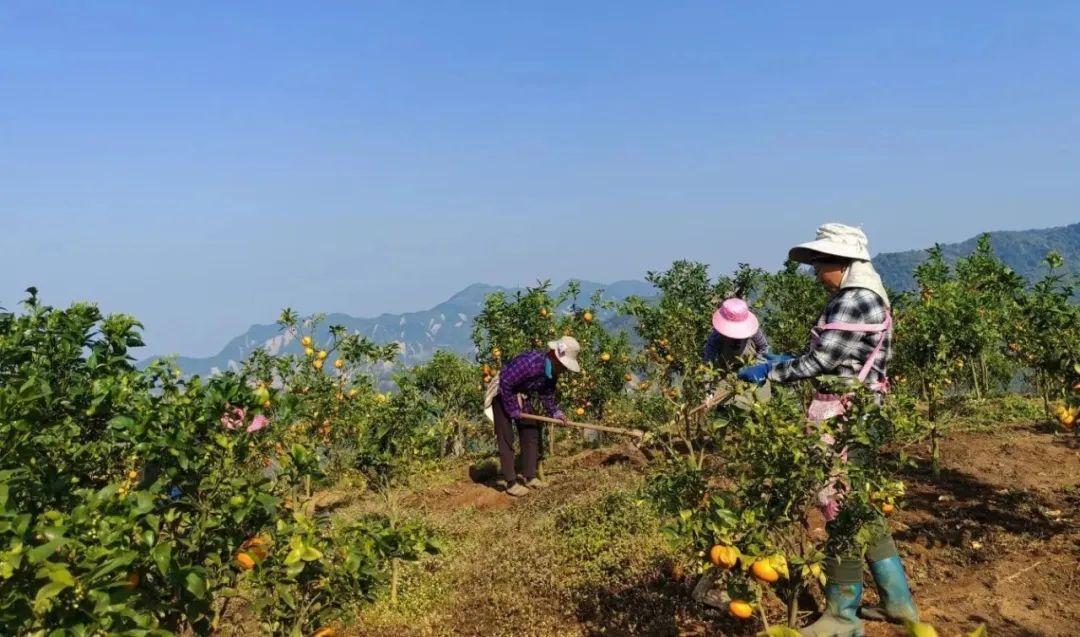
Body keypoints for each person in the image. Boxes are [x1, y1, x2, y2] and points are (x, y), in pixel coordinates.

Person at [738, 223, 918, 637]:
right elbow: (834, 354)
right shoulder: (866, 296)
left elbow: (820, 363)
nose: (817, 272)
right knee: (858, 505)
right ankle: (898, 602)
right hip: (862, 410)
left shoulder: (853, 300)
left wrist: (772, 372)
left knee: (838, 506)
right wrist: (790, 359)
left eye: (820, 264)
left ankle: (842, 616)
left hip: (844, 414)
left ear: (842, 263)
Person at [484, 336, 581, 497]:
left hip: (521, 395)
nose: (565, 370)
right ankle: (511, 482)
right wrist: (513, 409)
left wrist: (555, 412)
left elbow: (546, 394)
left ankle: (530, 476)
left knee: (531, 430)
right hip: (501, 394)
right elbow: (506, 382)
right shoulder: (530, 362)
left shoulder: (551, 373)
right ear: (555, 357)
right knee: (506, 436)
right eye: (564, 366)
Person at [703, 297, 769, 371]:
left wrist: (755, 366)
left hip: (748, 361)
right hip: (725, 361)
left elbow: (763, 347)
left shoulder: (753, 330)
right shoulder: (717, 334)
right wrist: (710, 370)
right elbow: (709, 353)